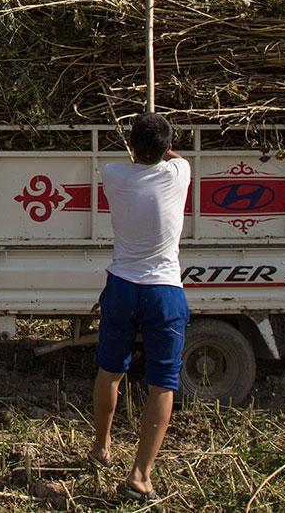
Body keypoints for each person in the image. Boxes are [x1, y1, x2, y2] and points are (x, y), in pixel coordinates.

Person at [88, 112, 191, 503]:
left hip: (122, 287)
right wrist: (163, 146)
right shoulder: (179, 171)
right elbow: (173, 156)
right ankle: (140, 475)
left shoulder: (113, 175)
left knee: (110, 371)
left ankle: (101, 447)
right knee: (162, 382)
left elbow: (140, 157)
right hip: (164, 291)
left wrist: (146, 147)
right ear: (167, 148)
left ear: (131, 146)